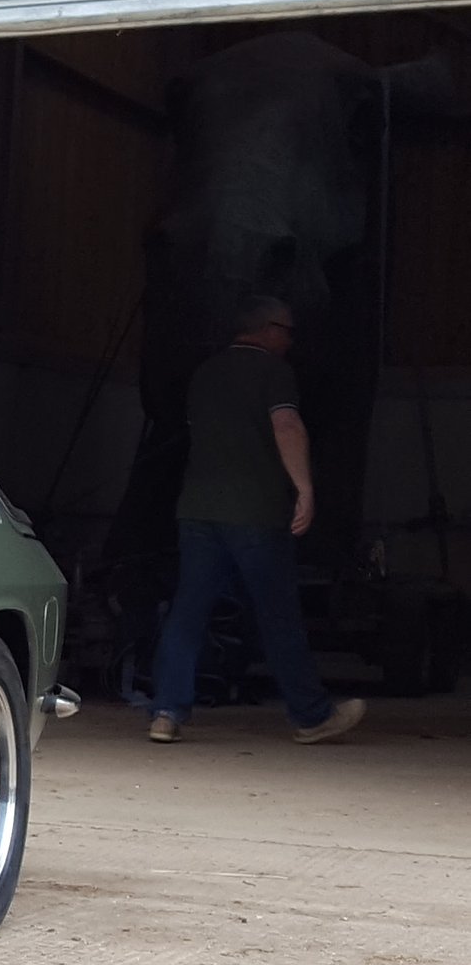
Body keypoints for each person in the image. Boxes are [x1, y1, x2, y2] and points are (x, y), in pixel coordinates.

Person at [148, 295, 365, 745]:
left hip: (198, 510)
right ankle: (310, 715)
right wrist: (304, 488)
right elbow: (286, 426)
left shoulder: (204, 373)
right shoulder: (274, 372)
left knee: (188, 613)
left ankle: (166, 712)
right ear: (265, 329)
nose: (290, 340)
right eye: (286, 331)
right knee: (279, 615)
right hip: (256, 513)